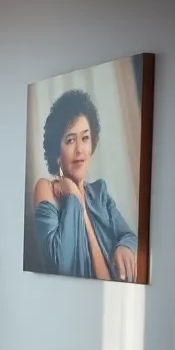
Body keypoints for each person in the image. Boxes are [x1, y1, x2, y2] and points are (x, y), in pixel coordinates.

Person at [31, 88, 139, 282]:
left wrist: (125, 247)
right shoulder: (45, 189)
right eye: (70, 140)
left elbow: (129, 236)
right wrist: (73, 194)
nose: (80, 150)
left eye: (85, 138)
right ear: (57, 152)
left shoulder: (100, 193)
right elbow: (60, 264)